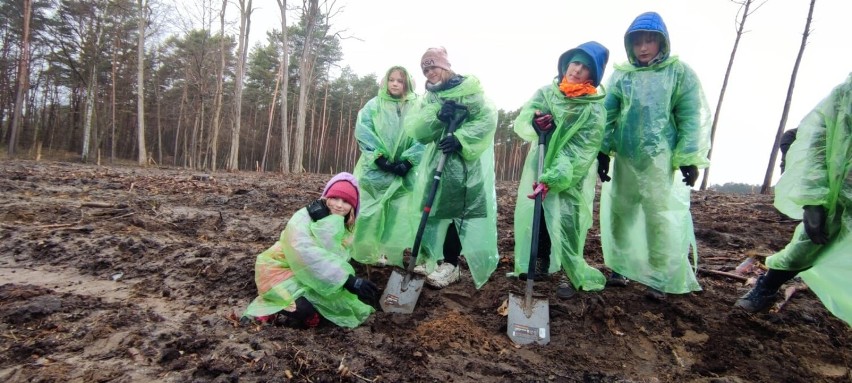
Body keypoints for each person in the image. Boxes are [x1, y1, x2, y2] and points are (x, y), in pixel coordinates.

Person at [598, 11, 712, 300]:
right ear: (630, 45)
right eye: (638, 43)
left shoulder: (678, 72)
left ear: (662, 42)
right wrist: (602, 151)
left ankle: (659, 275)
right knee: (621, 212)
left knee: (657, 215)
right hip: (626, 155)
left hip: (659, 160)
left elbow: (690, 116)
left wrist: (688, 157)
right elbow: (606, 114)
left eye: (650, 41)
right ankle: (620, 268)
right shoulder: (622, 76)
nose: (644, 48)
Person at [734, 73, 852, 327]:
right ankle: (767, 287)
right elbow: (817, 144)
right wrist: (813, 199)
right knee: (808, 243)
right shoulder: (845, 95)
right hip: (841, 195)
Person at [512, 41, 610, 299]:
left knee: (570, 218)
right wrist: (536, 122)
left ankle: (570, 271)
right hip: (541, 160)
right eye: (575, 62)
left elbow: (581, 150)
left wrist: (554, 177)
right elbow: (523, 121)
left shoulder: (593, 108)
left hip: (573, 173)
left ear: (593, 74)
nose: (577, 70)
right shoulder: (547, 93)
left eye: (585, 67)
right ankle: (541, 261)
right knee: (541, 215)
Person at [403, 46, 499, 289]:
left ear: (445, 66)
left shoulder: (471, 91)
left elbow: (487, 119)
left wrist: (460, 138)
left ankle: (451, 264)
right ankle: (427, 258)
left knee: (457, 212)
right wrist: (437, 116)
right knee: (431, 208)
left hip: (463, 162)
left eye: (432, 66)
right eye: (425, 68)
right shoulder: (431, 97)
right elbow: (418, 130)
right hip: (438, 158)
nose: (429, 72)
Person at [241, 173, 378, 329]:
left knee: (336, 309)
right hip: (280, 272)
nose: (339, 205)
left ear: (353, 207)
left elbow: (334, 254)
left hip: (310, 275)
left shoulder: (346, 225)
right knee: (305, 311)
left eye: (346, 201)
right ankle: (268, 309)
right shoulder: (304, 217)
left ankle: (286, 304)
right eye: (335, 198)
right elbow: (307, 256)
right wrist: (346, 280)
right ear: (327, 197)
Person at [352, 66, 424, 267]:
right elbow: (364, 131)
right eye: (391, 79)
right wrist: (379, 159)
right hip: (376, 171)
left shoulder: (416, 106)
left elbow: (423, 136)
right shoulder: (374, 105)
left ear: (406, 83)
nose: (394, 84)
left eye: (399, 81)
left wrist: (409, 161)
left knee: (396, 213)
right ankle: (363, 252)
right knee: (369, 211)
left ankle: (387, 251)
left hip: (404, 173)